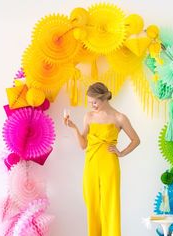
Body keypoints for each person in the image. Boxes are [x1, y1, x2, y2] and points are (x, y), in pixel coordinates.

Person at [64, 82, 140, 236]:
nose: (92, 105)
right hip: (91, 163)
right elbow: (83, 145)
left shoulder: (119, 117)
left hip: (109, 165)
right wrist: (74, 128)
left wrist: (122, 153)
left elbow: (136, 140)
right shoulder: (89, 116)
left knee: (110, 203)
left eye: (95, 102)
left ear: (104, 98)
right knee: (92, 203)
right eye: (90, 102)